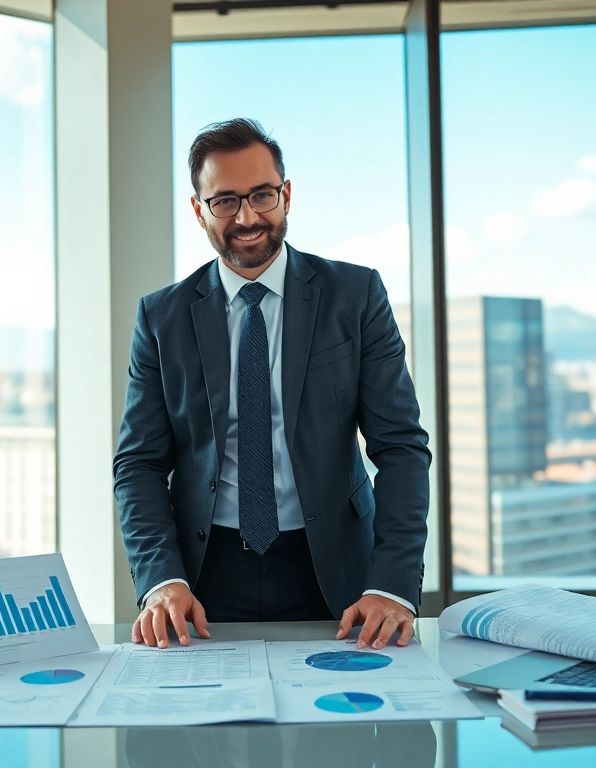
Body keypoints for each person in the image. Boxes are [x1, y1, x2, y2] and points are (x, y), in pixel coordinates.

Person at [113, 118, 430, 651]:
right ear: (199, 210)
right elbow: (139, 463)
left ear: (286, 195)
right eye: (225, 201)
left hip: (336, 570)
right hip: (203, 579)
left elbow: (400, 447)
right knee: (202, 732)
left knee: (339, 730)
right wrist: (161, 580)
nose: (247, 217)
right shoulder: (161, 317)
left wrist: (391, 585)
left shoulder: (355, 295)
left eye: (262, 195)